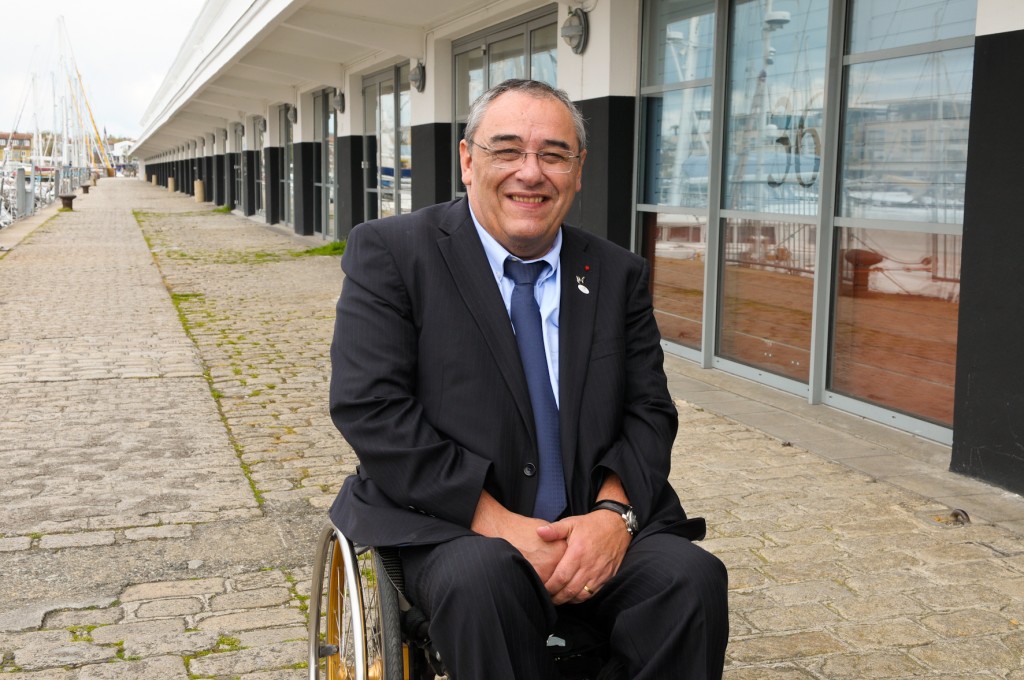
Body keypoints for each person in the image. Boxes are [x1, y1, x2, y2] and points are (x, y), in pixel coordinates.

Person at [329, 78, 728, 679]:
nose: (531, 172)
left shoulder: (616, 272)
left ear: (578, 169)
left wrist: (612, 518)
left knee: (690, 580)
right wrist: (498, 526)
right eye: (507, 150)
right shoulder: (393, 253)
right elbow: (372, 408)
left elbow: (649, 411)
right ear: (468, 160)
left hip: (590, 521)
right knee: (482, 579)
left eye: (553, 154)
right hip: (454, 528)